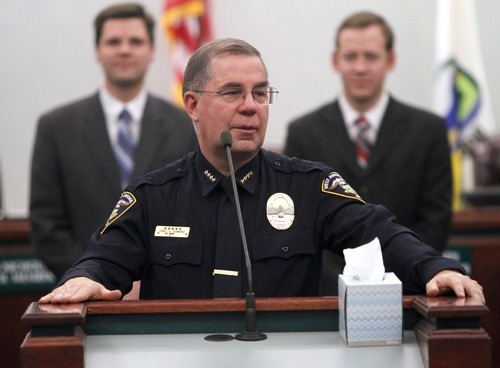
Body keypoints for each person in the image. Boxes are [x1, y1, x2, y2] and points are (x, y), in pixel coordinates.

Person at [39, 38, 484, 305]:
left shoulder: (310, 185)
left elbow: (379, 233)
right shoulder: (153, 195)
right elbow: (101, 260)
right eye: (232, 92)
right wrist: (84, 280)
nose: (251, 106)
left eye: (261, 92)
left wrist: (433, 269)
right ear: (192, 105)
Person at [30, 3, 198, 281]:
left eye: (135, 41)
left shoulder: (184, 125)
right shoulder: (55, 127)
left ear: (152, 51)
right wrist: (92, 276)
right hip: (80, 290)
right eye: (113, 42)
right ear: (98, 51)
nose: (124, 49)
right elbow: (46, 224)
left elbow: (194, 212)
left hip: (163, 292)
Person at [284, 11, 452, 252]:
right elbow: (298, 221)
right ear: (335, 61)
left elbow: (436, 221)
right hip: (327, 284)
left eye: (371, 57)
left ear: (390, 60)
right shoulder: (303, 133)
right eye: (350, 57)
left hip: (406, 278)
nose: (360, 68)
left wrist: (403, 267)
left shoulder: (428, 131)